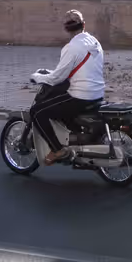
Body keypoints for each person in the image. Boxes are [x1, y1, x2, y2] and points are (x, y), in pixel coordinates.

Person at [31, 9, 105, 165]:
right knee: (62, 107)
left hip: (81, 96)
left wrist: (38, 77)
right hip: (98, 94)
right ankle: (76, 137)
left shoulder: (70, 48)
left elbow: (57, 78)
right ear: (83, 25)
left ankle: (58, 150)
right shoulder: (94, 42)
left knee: (37, 112)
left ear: (66, 28)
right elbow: (74, 70)